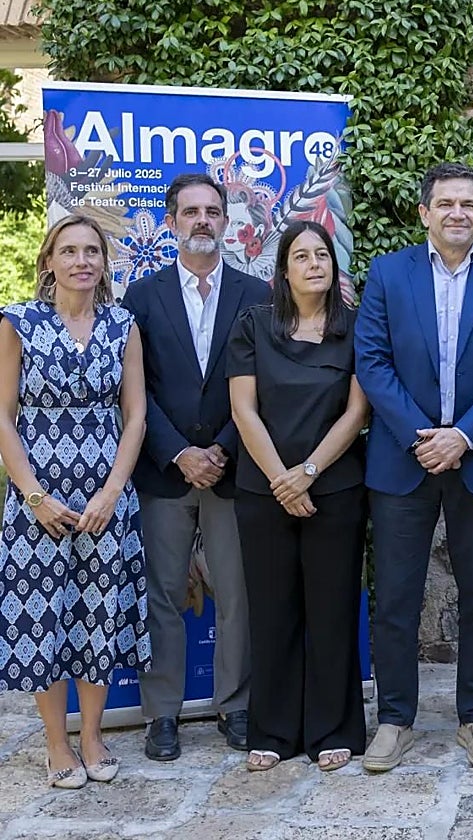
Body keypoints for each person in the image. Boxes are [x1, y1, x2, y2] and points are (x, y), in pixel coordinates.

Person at [355, 162, 473, 772]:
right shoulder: (387, 274)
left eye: (468, 203)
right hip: (402, 459)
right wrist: (421, 437)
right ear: (425, 212)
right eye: (446, 203)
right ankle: (395, 720)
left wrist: (461, 436)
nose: (458, 212)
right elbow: (372, 362)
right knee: (396, 597)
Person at [0, 215, 152, 787]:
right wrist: (34, 495)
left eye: (92, 251)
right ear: (49, 262)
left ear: (104, 263)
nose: (82, 260)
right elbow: (2, 416)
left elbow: (135, 413)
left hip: (107, 496)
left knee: (97, 615)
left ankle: (91, 735)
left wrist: (113, 491)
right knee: (45, 617)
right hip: (38, 495)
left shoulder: (123, 324)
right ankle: (56, 742)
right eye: (69, 251)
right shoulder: (18, 322)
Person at [122, 173, 270, 761]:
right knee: (163, 593)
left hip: (235, 468)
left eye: (213, 211)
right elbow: (136, 390)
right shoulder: (141, 297)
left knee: (236, 593)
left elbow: (265, 387)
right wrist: (179, 452)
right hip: (165, 469)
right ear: (171, 221)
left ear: (226, 219)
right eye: (191, 212)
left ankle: (235, 705)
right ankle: (163, 713)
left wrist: (224, 450)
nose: (202, 220)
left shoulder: (256, 293)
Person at [227, 221, 369, 772]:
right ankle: (274, 730)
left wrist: (306, 472)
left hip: (334, 488)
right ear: (283, 270)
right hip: (262, 491)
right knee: (272, 612)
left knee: (332, 611)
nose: (314, 264)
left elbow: (357, 412)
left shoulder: (354, 329)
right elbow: (243, 409)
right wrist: (281, 479)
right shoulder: (253, 325)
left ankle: (334, 728)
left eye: (322, 255)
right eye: (302, 256)